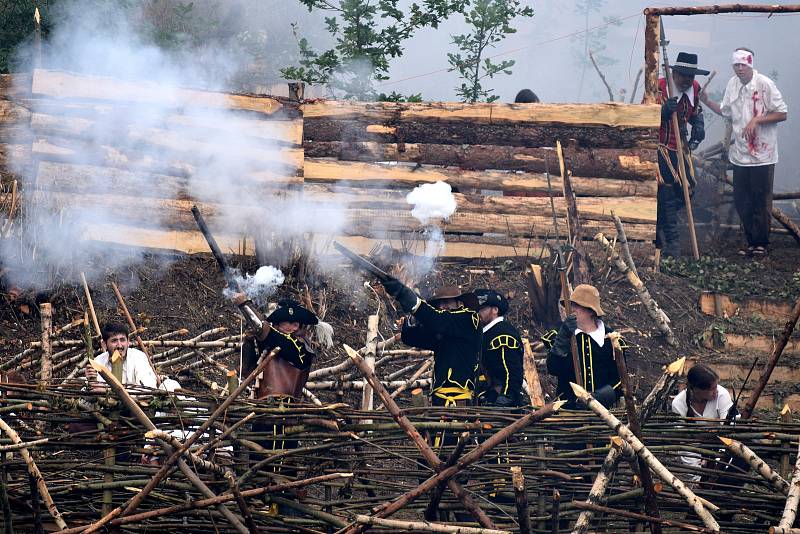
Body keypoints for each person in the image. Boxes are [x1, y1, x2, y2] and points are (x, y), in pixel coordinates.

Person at [706, 47, 788, 257]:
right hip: (741, 154)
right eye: (736, 65)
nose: (740, 69)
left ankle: (761, 243)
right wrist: (705, 101)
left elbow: (782, 113)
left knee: (760, 198)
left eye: (744, 64)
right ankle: (751, 241)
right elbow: (725, 111)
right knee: (742, 199)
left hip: (762, 154)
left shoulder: (764, 84)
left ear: (751, 65)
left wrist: (757, 119)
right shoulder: (732, 85)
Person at [384, 282, 482, 407]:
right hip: (438, 397)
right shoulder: (442, 328)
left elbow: (438, 320)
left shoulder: (468, 318)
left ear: (459, 302)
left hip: (461, 396)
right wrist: (414, 317)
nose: (442, 307)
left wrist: (408, 298)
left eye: (446, 302)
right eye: (439, 304)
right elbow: (410, 338)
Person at [655, 52, 709, 258]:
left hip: (680, 148)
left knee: (688, 190)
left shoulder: (694, 89)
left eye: (691, 76)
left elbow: (696, 112)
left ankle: (658, 228)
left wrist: (699, 125)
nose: (687, 80)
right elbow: (642, 116)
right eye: (683, 75)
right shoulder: (659, 87)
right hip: (658, 146)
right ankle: (672, 243)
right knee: (667, 191)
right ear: (675, 73)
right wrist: (661, 111)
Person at [542, 284, 625, 409]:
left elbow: (620, 381)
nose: (571, 309)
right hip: (568, 414)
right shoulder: (561, 336)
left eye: (577, 305)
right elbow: (553, 369)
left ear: (591, 311)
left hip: (603, 415)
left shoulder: (611, 340)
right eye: (571, 305)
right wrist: (563, 337)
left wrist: (599, 398)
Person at [671, 363, 734, 480]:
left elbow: (729, 434)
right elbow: (685, 444)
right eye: (712, 389)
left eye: (716, 386)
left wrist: (715, 460)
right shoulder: (679, 404)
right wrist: (696, 475)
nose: (716, 391)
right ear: (696, 390)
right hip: (696, 451)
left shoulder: (722, 395)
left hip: (722, 450)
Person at [473, 289, 524, 407]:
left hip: (503, 402)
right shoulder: (486, 333)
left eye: (482, 309)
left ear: (495, 310)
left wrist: (505, 398)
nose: (478, 313)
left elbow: (512, 372)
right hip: (490, 397)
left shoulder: (502, 334)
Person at [85, 321, 158, 389]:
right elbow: (91, 390)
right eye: (114, 341)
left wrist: (105, 390)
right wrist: (90, 381)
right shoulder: (98, 362)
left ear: (128, 341)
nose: (119, 345)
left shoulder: (139, 357)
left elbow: (149, 387)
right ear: (104, 344)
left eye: (122, 340)